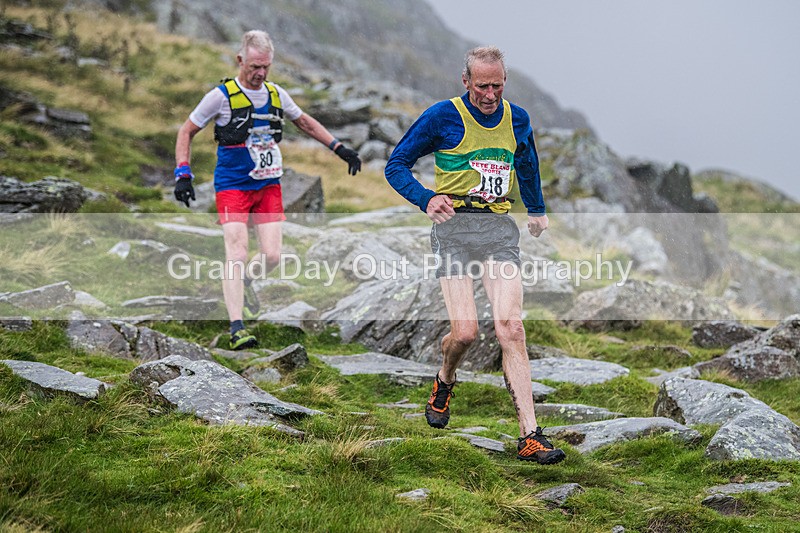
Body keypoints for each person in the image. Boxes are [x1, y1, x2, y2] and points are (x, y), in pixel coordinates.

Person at [384, 46, 565, 465]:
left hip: (498, 230)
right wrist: (426, 199)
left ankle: (530, 436)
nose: (489, 95)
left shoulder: (517, 118)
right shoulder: (441, 117)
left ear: (505, 81)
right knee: (465, 333)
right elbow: (396, 165)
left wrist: (536, 209)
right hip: (454, 232)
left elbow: (527, 163)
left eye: (497, 86)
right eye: (482, 86)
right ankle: (445, 378)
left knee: (511, 328)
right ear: (465, 82)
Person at [174, 30, 361, 350]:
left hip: (269, 186)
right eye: (254, 67)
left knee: (272, 256)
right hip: (233, 186)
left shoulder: (276, 94)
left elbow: (305, 122)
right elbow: (186, 131)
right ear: (240, 60)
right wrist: (183, 173)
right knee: (237, 252)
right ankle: (237, 328)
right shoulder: (220, 96)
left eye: (266, 67)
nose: (260, 73)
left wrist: (339, 148)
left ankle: (245, 281)